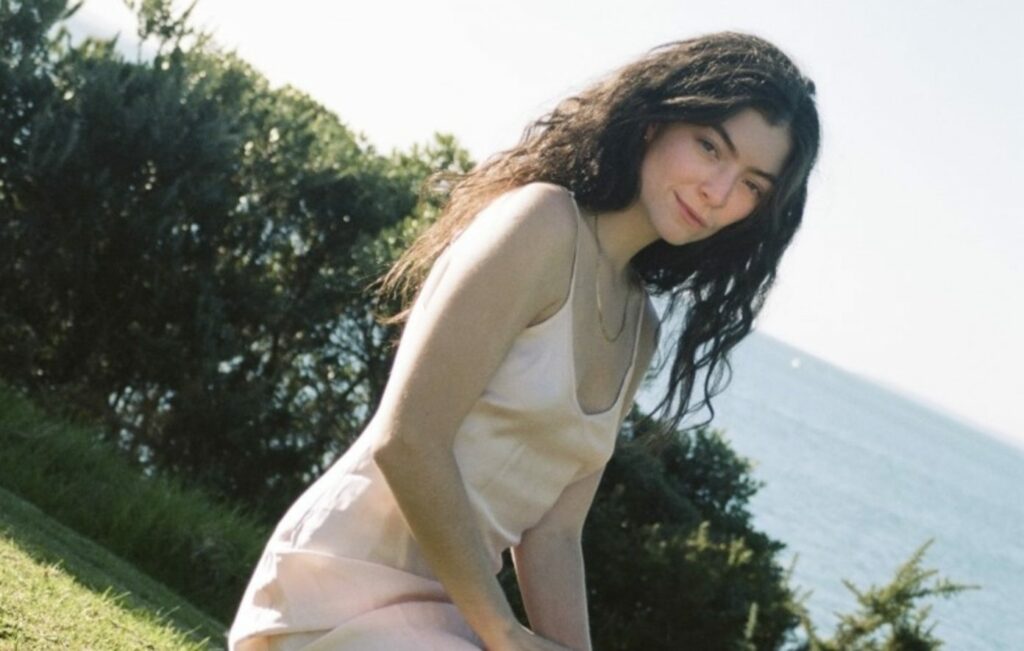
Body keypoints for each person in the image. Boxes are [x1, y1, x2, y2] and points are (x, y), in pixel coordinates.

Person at [228, 31, 820, 651]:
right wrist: (504, 634)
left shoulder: (639, 327)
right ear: (654, 123)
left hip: (448, 614)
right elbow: (406, 442)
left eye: (753, 184)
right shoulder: (539, 223)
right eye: (709, 147)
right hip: (336, 586)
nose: (719, 192)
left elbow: (554, 534)